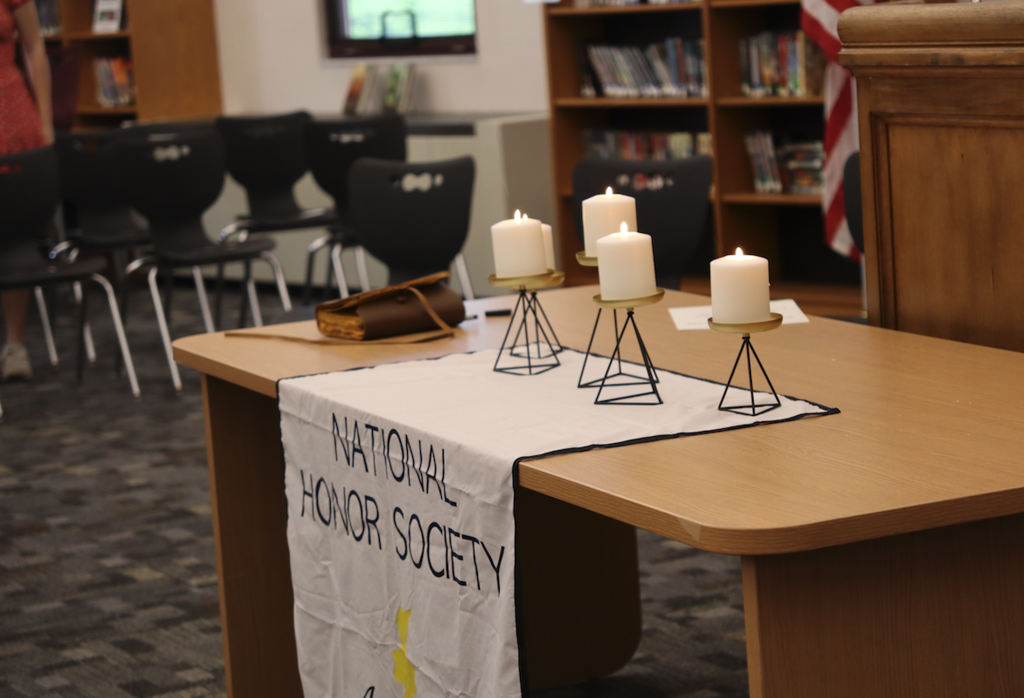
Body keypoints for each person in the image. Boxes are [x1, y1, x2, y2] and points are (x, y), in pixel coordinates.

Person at [0, 0, 53, 381]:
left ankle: (14, 343)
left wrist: (46, 124)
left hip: (11, 114)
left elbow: (34, 46)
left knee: (12, 233)